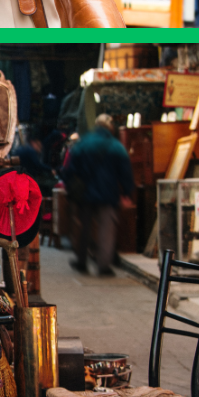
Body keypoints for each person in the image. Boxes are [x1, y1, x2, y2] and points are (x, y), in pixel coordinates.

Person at [61, 114, 135, 276]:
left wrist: (70, 187)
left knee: (84, 228)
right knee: (106, 230)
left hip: (85, 194)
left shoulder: (83, 143)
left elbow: (69, 169)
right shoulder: (116, 146)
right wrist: (127, 193)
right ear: (110, 128)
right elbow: (126, 172)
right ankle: (103, 266)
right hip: (108, 194)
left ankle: (81, 262)